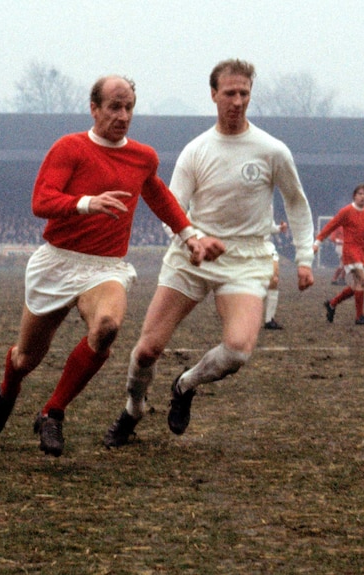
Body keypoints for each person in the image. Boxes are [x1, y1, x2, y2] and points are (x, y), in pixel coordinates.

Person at [0, 75, 219, 457]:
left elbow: (159, 196)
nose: (122, 115)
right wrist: (85, 203)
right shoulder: (69, 147)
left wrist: (190, 235)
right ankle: (9, 386)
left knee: (107, 327)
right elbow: (41, 201)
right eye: (114, 106)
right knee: (27, 357)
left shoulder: (143, 157)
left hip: (104, 268)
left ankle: (52, 413)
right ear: (94, 109)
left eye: (128, 107)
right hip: (57, 262)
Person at [102, 59, 315, 448]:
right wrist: (193, 240)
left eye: (244, 93)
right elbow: (172, 208)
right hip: (192, 255)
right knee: (148, 348)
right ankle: (132, 409)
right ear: (214, 94)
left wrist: (304, 258)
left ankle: (185, 384)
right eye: (229, 93)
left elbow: (296, 204)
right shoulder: (197, 150)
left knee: (237, 351)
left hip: (246, 260)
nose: (237, 101)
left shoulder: (272, 150)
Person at [316, 183, 364, 325]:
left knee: (357, 285)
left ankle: (332, 304)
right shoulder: (346, 211)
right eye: (360, 193)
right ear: (354, 195)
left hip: (362, 252)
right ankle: (359, 317)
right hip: (350, 252)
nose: (362, 196)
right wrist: (318, 241)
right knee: (362, 281)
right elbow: (331, 225)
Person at [263, 220, 289, 330]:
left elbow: (270, 227)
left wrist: (279, 228)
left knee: (274, 278)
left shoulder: (268, 207)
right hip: (251, 248)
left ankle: (269, 320)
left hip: (268, 247)